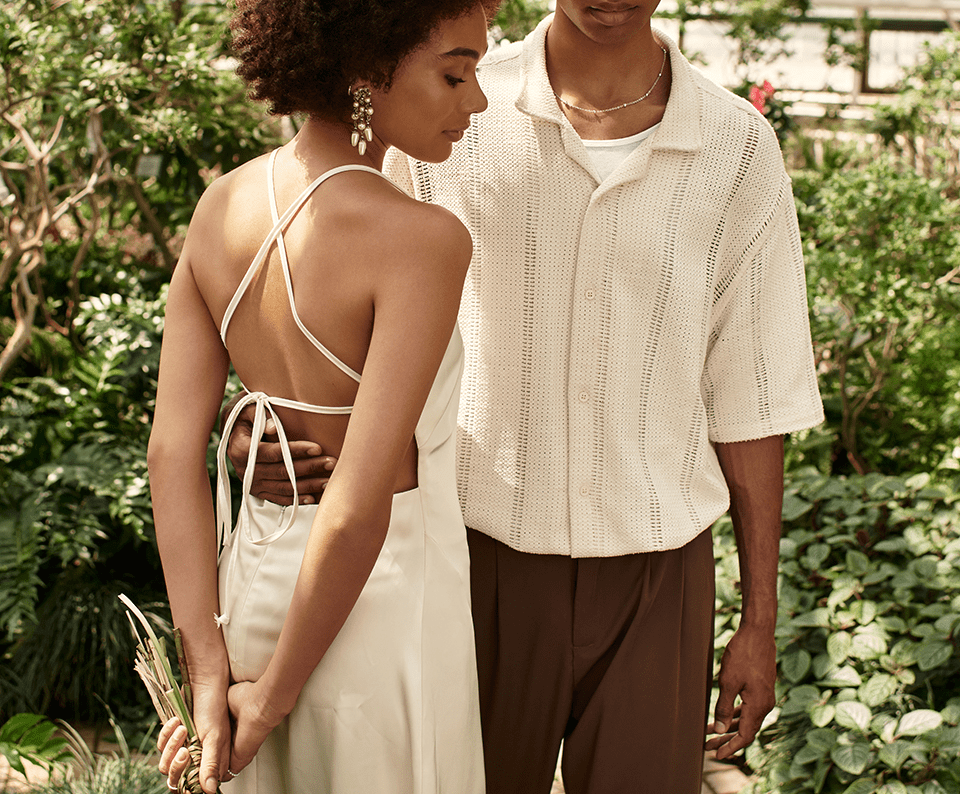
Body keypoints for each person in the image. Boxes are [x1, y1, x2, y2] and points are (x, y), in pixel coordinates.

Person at [226, 1, 825, 792]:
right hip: (468, 557)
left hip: (660, 576)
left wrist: (758, 621)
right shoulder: (444, 101)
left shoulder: (737, 147)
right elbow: (324, 287)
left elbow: (750, 391)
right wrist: (262, 431)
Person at [147, 1, 499, 792]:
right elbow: (356, 505)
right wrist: (267, 703)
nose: (474, 101)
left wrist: (210, 673)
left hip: (254, 588)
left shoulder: (218, 209)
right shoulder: (422, 240)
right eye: (456, 72)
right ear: (369, 65)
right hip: (380, 609)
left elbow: (170, 454)